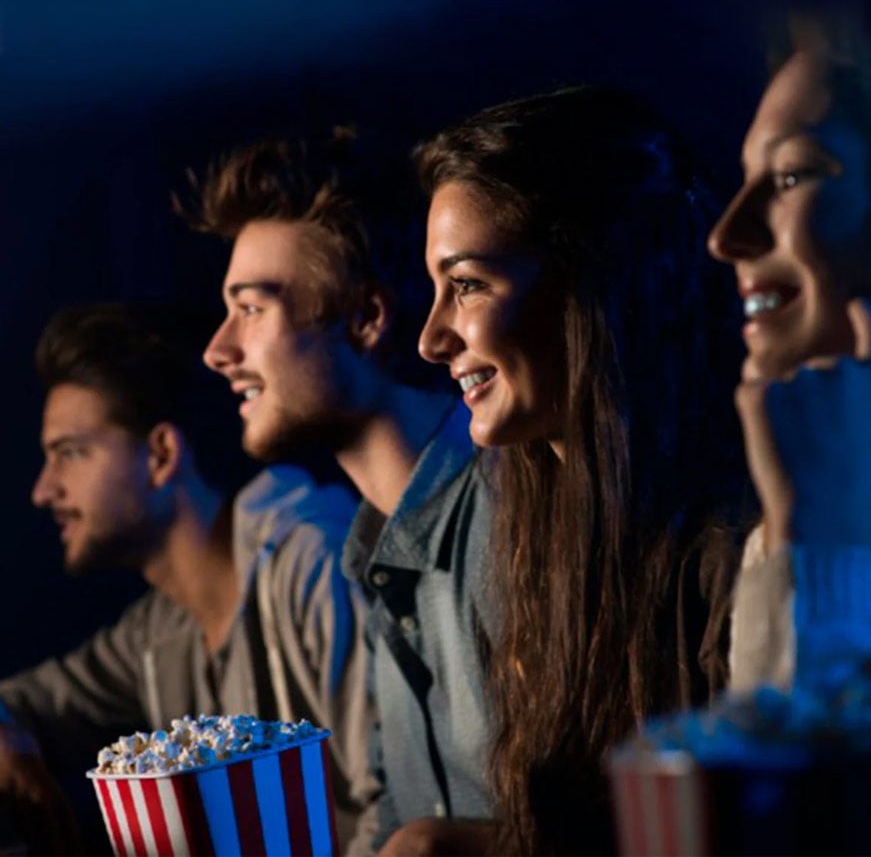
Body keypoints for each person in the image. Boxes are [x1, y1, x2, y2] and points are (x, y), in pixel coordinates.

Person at [415, 86, 748, 855]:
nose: (431, 337)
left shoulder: (735, 548)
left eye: (467, 285)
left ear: (593, 283)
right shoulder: (539, 532)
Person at [190, 136, 494, 855]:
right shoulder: (370, 551)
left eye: (251, 308)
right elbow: (397, 812)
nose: (218, 350)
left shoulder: (515, 509)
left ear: (366, 318)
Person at [0, 302, 371, 852]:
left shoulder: (313, 564)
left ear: (161, 454)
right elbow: (26, 701)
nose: (43, 491)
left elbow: (403, 800)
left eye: (70, 454)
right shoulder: (157, 631)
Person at [709, 16, 871, 692]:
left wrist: (823, 547)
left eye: (791, 175)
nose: (725, 235)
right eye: (745, 179)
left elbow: (800, 758)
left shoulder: (811, 514)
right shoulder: (780, 516)